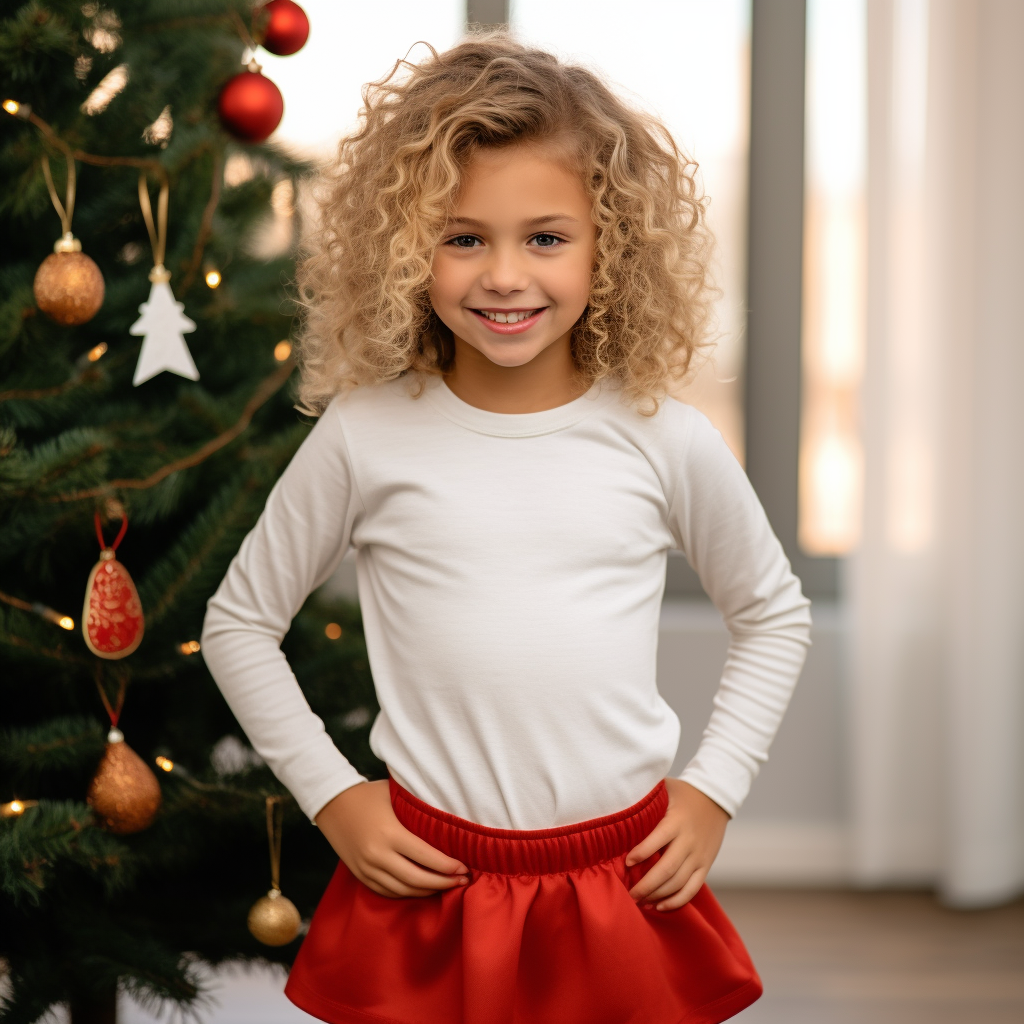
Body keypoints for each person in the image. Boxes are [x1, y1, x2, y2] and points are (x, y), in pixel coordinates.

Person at [202, 34, 811, 1024]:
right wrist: (334, 795)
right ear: (406, 245)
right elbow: (237, 624)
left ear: (608, 243)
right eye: (462, 237)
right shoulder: (365, 433)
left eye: (544, 237)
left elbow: (773, 614)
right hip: (427, 883)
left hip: (617, 880)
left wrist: (711, 791)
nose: (503, 276)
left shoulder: (665, 436)